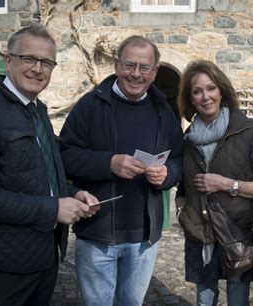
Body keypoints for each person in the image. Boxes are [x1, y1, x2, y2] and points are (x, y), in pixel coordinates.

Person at [0, 24, 100, 306]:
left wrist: (71, 194)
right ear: (8, 60)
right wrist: (54, 208)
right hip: (0, 267)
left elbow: (40, 176)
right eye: (28, 59)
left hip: (42, 258)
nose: (37, 69)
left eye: (46, 62)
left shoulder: (37, 110)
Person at [59, 35, 184, 305]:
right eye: (129, 65)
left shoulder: (164, 111)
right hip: (97, 235)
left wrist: (167, 175)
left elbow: (179, 159)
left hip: (144, 240)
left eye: (144, 67)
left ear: (154, 72)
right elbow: (64, 156)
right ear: (116, 65)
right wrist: (108, 163)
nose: (136, 74)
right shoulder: (90, 105)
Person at [175, 60, 253, 306]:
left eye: (211, 88)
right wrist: (182, 214)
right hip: (200, 234)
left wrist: (226, 183)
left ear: (221, 91)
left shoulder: (249, 130)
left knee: (237, 301)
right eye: (197, 91)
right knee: (204, 300)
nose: (205, 96)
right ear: (190, 98)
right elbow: (183, 188)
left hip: (239, 231)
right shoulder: (187, 139)